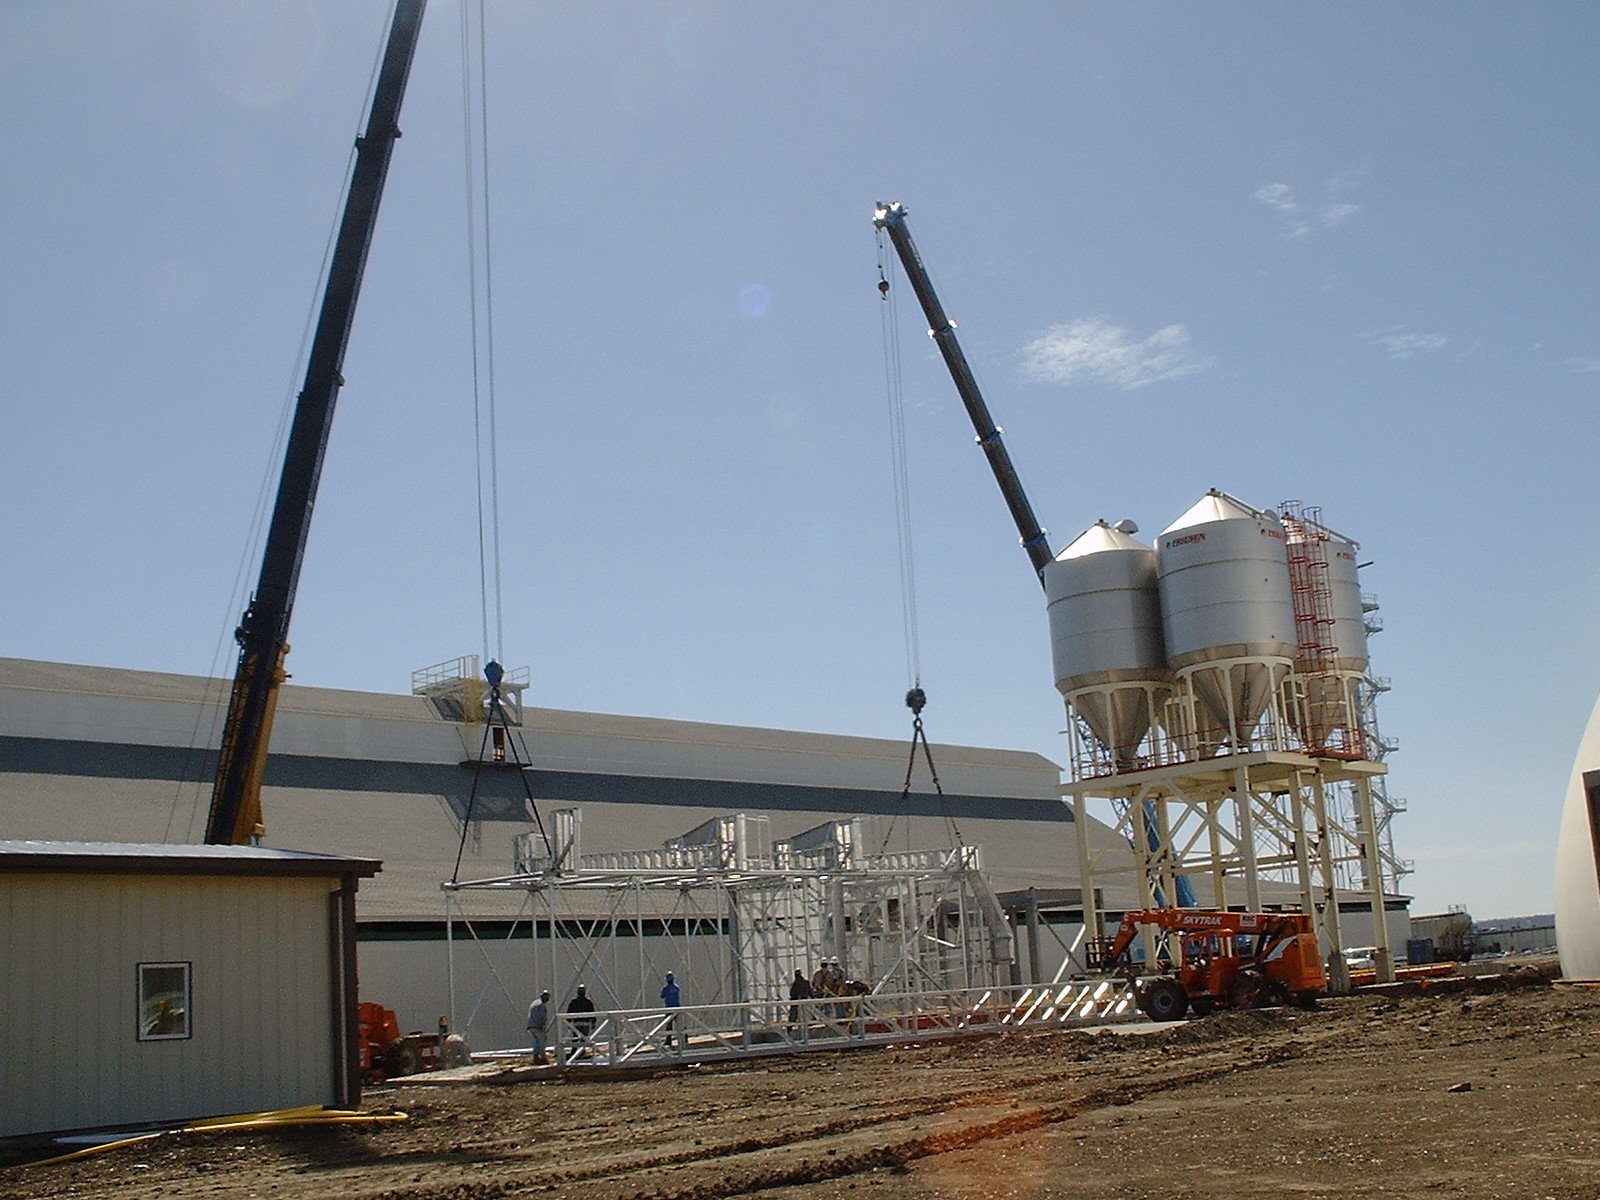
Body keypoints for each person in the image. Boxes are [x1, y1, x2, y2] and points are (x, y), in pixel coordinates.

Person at [566, 983, 597, 1061]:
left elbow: (569, 1013)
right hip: (586, 1023)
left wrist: (568, 1022)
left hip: (576, 1023)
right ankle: (581, 1052)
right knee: (584, 1039)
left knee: (575, 1038)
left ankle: (574, 1052)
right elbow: (592, 1013)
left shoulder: (574, 1002)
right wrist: (593, 1023)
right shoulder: (588, 1002)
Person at [526, 989, 551, 1063]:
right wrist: (543, 1027)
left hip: (531, 1026)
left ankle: (535, 1057)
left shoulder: (534, 1003)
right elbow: (542, 1017)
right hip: (538, 1027)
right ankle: (543, 1058)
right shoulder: (542, 1006)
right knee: (541, 1042)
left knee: (536, 1042)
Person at [660, 971, 682, 1052]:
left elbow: (662, 996)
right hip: (676, 1008)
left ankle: (668, 1040)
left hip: (669, 1008)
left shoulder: (666, 989)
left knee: (669, 1025)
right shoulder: (676, 987)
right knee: (680, 1025)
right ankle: (684, 1038)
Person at [788, 968, 812, 1032]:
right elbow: (810, 992)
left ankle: (791, 1025)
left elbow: (791, 993)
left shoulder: (795, 984)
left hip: (798, 1001)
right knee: (804, 1012)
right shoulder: (805, 982)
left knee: (794, 1013)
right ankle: (809, 1021)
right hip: (803, 1000)